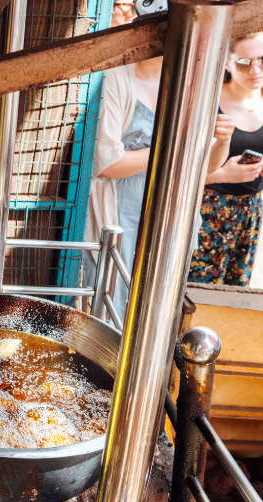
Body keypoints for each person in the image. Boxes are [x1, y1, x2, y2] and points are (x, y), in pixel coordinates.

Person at [188, 31, 263, 287]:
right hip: (207, 208)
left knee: (234, 292)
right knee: (195, 291)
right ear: (226, 62)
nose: (255, 69)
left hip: (250, 210)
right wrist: (222, 175)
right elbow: (181, 169)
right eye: (244, 62)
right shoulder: (208, 99)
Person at [84, 52, 161, 317]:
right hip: (116, 214)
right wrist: (168, 150)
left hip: (162, 217)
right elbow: (105, 164)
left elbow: (203, 161)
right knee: (108, 306)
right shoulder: (116, 76)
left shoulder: (193, 79)